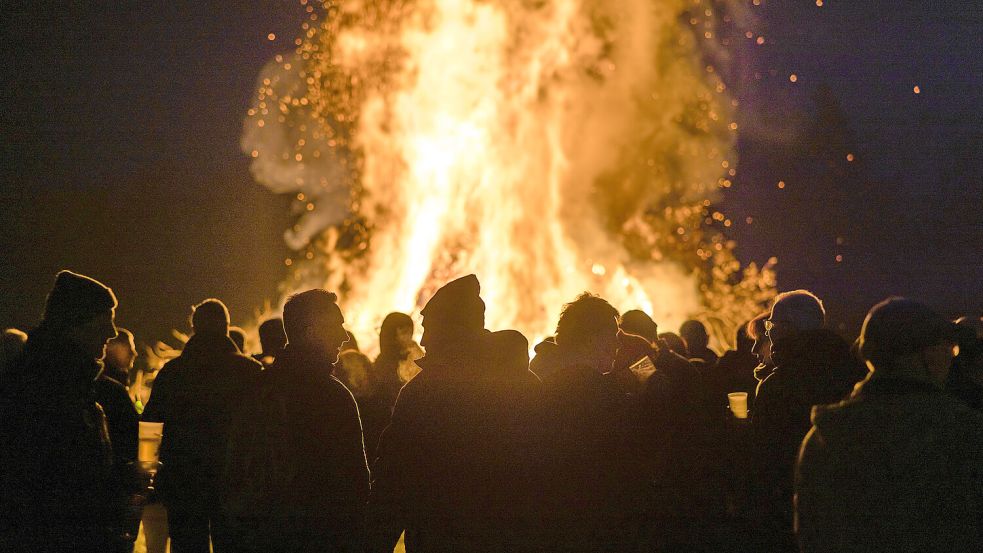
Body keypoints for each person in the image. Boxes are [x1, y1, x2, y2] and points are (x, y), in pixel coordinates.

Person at [368, 275, 546, 552]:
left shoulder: (424, 395)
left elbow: (396, 478)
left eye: (430, 328)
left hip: (443, 539)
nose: (423, 339)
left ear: (452, 329)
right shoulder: (525, 383)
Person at [796, 298, 983, 552]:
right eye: (949, 349)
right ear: (925, 354)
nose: (951, 359)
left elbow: (812, 533)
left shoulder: (825, 436)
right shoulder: (963, 430)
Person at [0, 270, 134, 552]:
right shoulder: (44, 385)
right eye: (105, 321)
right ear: (77, 322)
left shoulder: (71, 380)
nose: (111, 333)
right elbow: (54, 480)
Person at [226, 289, 369, 552]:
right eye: (337, 326)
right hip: (318, 540)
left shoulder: (254, 390)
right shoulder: (332, 397)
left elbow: (233, 473)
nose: (344, 336)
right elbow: (354, 486)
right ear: (312, 331)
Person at [142, 299, 262, 553]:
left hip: (183, 483)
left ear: (195, 327)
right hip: (236, 482)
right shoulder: (249, 372)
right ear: (226, 328)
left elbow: (151, 426)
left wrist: (147, 471)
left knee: (186, 545)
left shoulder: (172, 372)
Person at [750, 290, 866, 551]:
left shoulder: (779, 384)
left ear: (787, 329)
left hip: (791, 507)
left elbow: (763, 460)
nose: (767, 332)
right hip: (850, 506)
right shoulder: (852, 370)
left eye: (770, 325)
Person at [539, 293, 643, 551]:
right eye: (613, 336)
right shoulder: (600, 393)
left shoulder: (545, 384)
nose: (618, 345)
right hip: (595, 522)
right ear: (591, 340)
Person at [363, 312, 422, 459]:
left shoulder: (416, 355)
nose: (408, 337)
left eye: (410, 332)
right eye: (403, 332)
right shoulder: (383, 364)